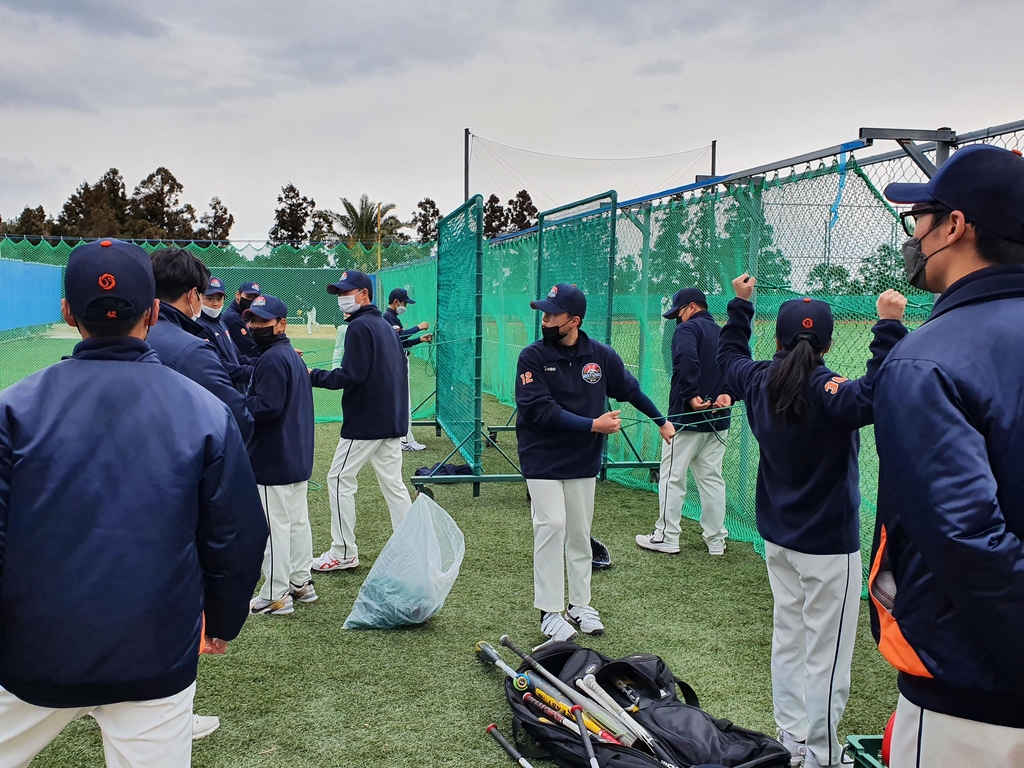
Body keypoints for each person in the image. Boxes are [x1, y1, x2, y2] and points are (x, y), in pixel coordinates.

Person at [0, 239, 267, 768]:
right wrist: (221, 621)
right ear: (152, 312)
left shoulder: (13, 408)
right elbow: (238, 535)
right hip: (156, 652)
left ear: (67, 312)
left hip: (34, 651)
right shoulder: (206, 411)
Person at [869, 144, 1024, 767]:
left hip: (972, 700)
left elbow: (968, 541)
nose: (914, 234)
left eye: (920, 217)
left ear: (955, 225)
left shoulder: (926, 356)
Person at [717, 275, 908, 768]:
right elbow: (877, 393)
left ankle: (791, 739)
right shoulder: (828, 389)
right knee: (826, 654)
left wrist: (741, 306)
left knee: (790, 637)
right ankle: (821, 755)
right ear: (827, 343)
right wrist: (888, 327)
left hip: (777, 541)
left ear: (776, 339)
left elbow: (727, 359)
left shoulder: (759, 379)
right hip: (827, 547)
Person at [516, 283, 675, 641]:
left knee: (578, 533)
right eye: (543, 312)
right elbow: (539, 409)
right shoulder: (532, 356)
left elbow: (630, 390)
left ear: (574, 321)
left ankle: (579, 606)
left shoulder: (600, 355)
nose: (545, 319)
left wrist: (661, 421)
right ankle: (549, 612)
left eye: (552, 314)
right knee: (552, 524)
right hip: (540, 456)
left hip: (582, 460)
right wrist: (594, 425)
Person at [307, 270, 413, 572]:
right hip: (391, 419)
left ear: (364, 294)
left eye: (346, 292)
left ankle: (343, 552)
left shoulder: (359, 327)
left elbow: (351, 375)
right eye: (339, 293)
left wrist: (312, 375)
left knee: (339, 479)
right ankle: (409, 548)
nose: (341, 298)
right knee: (393, 484)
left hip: (367, 421)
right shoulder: (383, 325)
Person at [637, 287, 734, 556]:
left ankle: (667, 535)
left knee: (671, 477)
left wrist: (691, 395)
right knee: (712, 479)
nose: (678, 320)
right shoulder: (723, 331)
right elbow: (734, 363)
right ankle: (716, 541)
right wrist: (728, 394)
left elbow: (685, 358)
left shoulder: (687, 330)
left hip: (686, 418)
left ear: (691, 307)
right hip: (719, 418)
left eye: (679, 313)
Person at [243, 296, 317, 617]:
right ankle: (301, 582)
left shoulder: (273, 358)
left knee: (275, 527)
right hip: (296, 454)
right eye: (253, 320)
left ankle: (276, 594)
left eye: (263, 321)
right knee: (297, 522)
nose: (256, 326)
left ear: (281, 324)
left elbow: (268, 406)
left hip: (274, 458)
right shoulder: (290, 355)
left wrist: (235, 404)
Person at [147, 249, 254, 446]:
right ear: (193, 295)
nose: (214, 303)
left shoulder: (133, 333)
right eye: (206, 296)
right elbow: (235, 417)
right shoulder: (191, 348)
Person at [383, 287, 433, 452]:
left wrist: (420, 339)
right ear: (396, 302)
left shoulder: (393, 317)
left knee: (401, 402)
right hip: (397, 363)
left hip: (398, 361)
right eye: (405, 303)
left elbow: (401, 342)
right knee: (404, 402)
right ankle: (405, 440)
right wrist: (418, 327)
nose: (406, 306)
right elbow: (399, 337)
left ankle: (400, 437)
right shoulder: (389, 317)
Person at [196, 275, 254, 394]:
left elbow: (238, 357)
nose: (215, 303)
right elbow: (221, 366)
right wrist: (258, 372)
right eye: (209, 298)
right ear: (199, 297)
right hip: (222, 395)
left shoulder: (222, 324)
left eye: (219, 298)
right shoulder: (198, 328)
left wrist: (265, 362)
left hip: (237, 391)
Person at [222, 281, 262, 357]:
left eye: (255, 299)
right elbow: (249, 348)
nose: (251, 301)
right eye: (248, 297)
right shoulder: (233, 318)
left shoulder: (246, 313)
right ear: (238, 295)